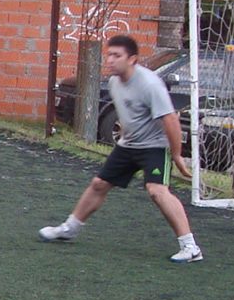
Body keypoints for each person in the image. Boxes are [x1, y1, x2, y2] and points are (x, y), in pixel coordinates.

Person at [38, 35, 203, 263]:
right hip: (128, 145)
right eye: (109, 55)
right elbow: (129, 114)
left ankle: (190, 247)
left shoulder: (150, 84)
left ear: (132, 59)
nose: (110, 60)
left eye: (117, 56)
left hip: (154, 146)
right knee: (99, 184)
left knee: (157, 191)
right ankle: (70, 229)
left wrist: (176, 155)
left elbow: (170, 120)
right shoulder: (115, 83)